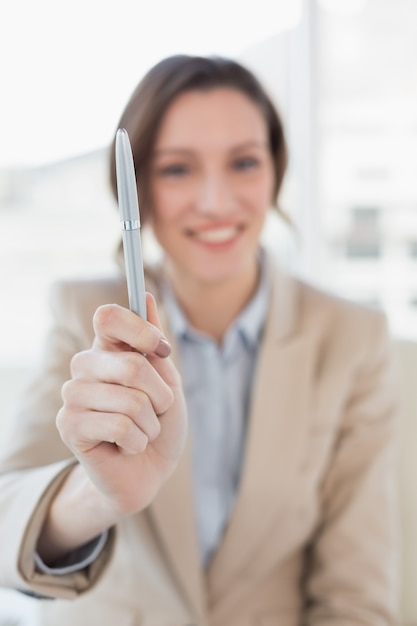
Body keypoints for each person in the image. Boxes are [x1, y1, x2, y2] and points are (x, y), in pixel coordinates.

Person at [0, 55, 399, 626]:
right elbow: (5, 526)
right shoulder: (88, 318)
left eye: (243, 162)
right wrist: (101, 497)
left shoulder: (351, 337)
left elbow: (355, 596)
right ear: (139, 187)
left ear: (275, 173)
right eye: (178, 169)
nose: (216, 201)